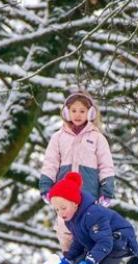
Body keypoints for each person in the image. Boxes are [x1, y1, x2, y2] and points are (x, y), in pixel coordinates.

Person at [48, 172, 138, 264]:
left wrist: (89, 262)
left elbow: (105, 243)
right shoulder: (71, 219)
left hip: (120, 240)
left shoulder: (93, 213)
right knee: (81, 262)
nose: (60, 213)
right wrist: (67, 260)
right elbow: (79, 241)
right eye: (56, 209)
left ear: (75, 202)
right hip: (101, 242)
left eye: (63, 208)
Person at [39, 90, 115, 253]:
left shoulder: (97, 138)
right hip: (63, 195)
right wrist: (46, 186)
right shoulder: (58, 138)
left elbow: (106, 165)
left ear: (91, 113)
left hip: (88, 193)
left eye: (82, 111)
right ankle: (69, 255)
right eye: (74, 111)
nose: (78, 115)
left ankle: (89, 257)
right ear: (67, 112)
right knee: (65, 227)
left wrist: (107, 190)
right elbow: (50, 163)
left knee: (88, 225)